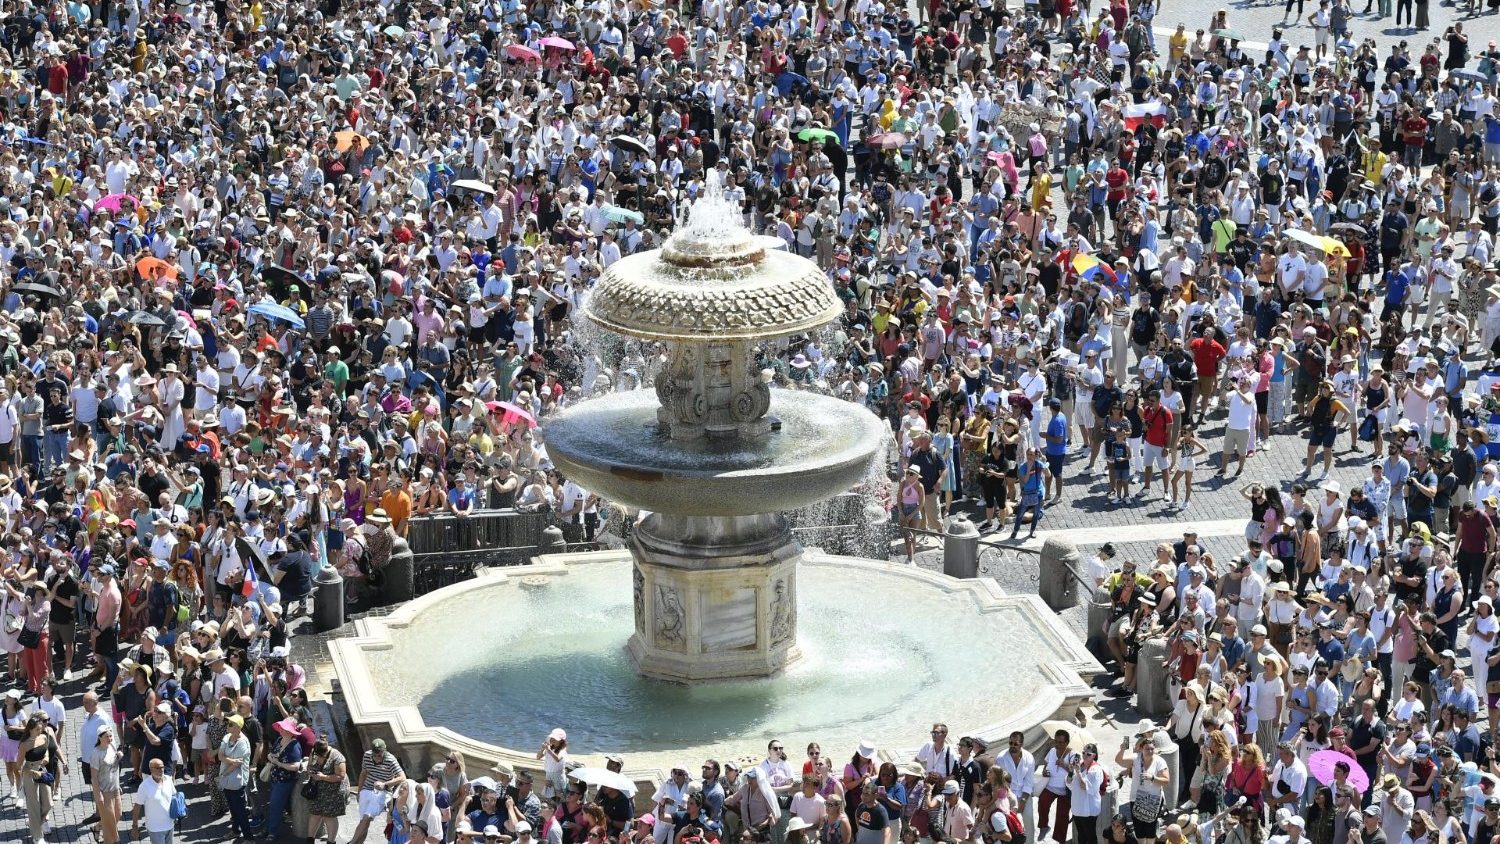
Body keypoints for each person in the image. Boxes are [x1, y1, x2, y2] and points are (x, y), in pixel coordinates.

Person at [131, 757, 179, 844]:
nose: (161, 770)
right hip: (155, 828)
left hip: (170, 825)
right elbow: (137, 807)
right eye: (158, 768)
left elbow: (174, 797)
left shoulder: (168, 780)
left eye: (162, 767)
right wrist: (135, 826)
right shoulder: (144, 786)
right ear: (151, 769)